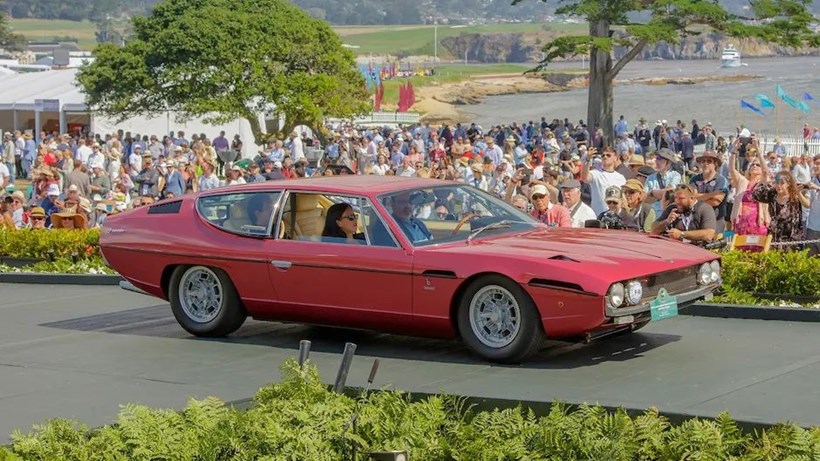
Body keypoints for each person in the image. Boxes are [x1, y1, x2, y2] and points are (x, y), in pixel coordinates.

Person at [751, 171, 810, 245]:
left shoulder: (795, 197)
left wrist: (799, 193)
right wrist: (764, 180)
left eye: (782, 183)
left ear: (788, 184)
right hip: (774, 237)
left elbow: (807, 205)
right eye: (777, 183)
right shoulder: (772, 194)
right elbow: (755, 194)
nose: (779, 186)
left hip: (792, 239)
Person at [651, 184, 717, 244]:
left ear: (692, 198)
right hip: (676, 249)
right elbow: (654, 229)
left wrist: (682, 234)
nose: (677, 201)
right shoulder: (672, 208)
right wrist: (666, 221)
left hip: (699, 249)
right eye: (675, 198)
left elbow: (709, 234)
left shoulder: (704, 209)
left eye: (681, 198)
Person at [689, 150, 728, 233]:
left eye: (709, 161)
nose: (705, 163)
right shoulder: (694, 179)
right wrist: (712, 194)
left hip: (716, 220)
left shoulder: (721, 180)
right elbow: (692, 196)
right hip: (697, 219)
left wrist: (698, 200)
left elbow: (716, 201)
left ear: (715, 164)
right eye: (703, 161)